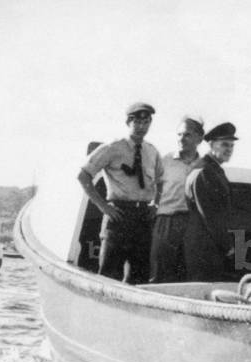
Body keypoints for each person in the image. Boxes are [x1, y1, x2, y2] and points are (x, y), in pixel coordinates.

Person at [77, 102, 163, 284]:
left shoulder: (152, 151)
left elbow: (161, 180)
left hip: (143, 217)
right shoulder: (112, 147)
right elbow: (83, 175)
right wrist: (103, 206)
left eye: (146, 122)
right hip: (119, 215)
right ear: (128, 122)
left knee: (139, 277)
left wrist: (155, 204)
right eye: (137, 122)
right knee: (109, 274)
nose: (142, 127)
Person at [150, 116, 204, 283]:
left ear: (199, 138)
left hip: (192, 224)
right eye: (179, 134)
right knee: (159, 275)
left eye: (187, 134)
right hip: (166, 222)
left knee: (188, 276)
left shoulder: (205, 166)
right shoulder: (164, 162)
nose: (181, 138)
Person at [183, 122, 238, 281]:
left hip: (209, 246)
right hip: (204, 247)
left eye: (231, 146)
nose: (229, 149)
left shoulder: (212, 169)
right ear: (212, 145)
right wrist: (228, 246)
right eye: (224, 144)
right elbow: (211, 217)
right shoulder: (205, 172)